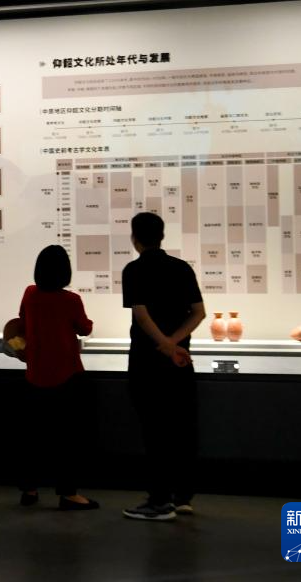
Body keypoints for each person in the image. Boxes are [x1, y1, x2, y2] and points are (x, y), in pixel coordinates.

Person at [121, 212, 205, 521]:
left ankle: (159, 501)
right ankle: (183, 498)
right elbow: (199, 313)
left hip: (147, 362)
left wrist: (164, 345)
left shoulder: (133, 270)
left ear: (135, 238)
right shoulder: (182, 268)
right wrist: (175, 343)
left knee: (155, 431)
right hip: (180, 361)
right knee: (182, 429)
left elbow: (141, 315)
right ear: (162, 236)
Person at [16, 245, 98, 511]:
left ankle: (29, 489)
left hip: (35, 373)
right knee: (68, 438)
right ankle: (68, 493)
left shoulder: (30, 294)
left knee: (32, 436)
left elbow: (22, 319)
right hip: (67, 375)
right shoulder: (71, 300)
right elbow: (84, 328)